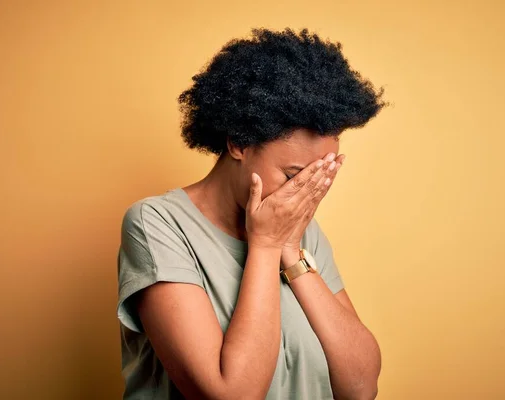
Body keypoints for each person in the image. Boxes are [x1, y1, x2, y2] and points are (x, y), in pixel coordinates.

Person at [117, 27, 387, 400]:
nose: (303, 192)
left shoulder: (301, 233)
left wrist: (290, 250)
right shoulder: (157, 224)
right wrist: (267, 245)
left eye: (318, 174)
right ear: (239, 143)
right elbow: (232, 395)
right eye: (294, 175)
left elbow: (360, 388)